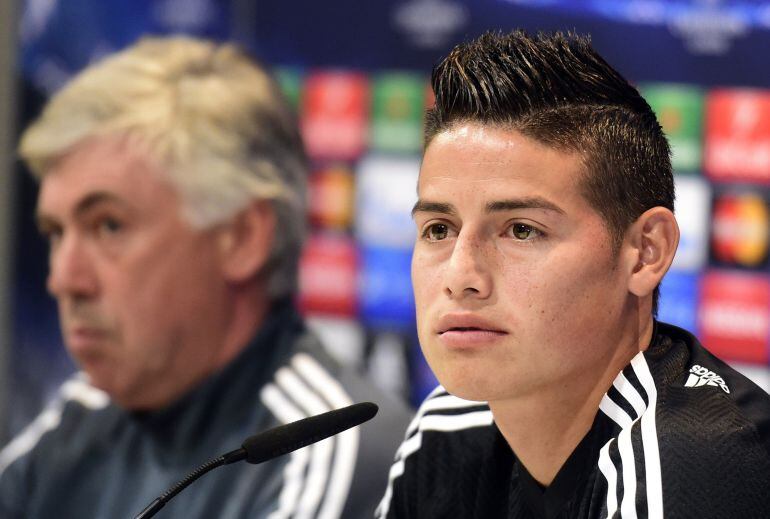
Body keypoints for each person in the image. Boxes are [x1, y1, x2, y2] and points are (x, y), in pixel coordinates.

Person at [0, 36, 411, 519]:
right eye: (55, 231)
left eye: (108, 225)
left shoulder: (329, 458)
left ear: (240, 238)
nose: (63, 280)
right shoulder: (81, 414)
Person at [376, 30, 770, 519]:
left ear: (647, 252)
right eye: (438, 229)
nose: (461, 276)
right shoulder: (450, 427)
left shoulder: (692, 468)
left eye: (521, 230)